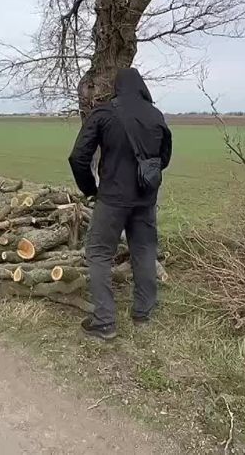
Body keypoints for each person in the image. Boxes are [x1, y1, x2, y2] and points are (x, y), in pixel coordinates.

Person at [68, 67, 173, 340]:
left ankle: (104, 321)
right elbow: (163, 159)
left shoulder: (104, 113)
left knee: (99, 253)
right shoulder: (156, 115)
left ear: (117, 87)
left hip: (112, 198)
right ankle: (143, 313)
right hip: (145, 198)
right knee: (145, 250)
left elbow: (78, 157)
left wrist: (90, 190)